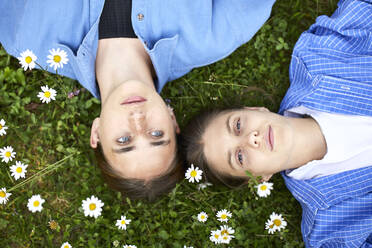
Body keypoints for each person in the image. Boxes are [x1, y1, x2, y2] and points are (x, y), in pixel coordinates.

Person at [0, 0, 276, 200]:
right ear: (172, 119)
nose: (138, 122)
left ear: (96, 132)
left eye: (123, 141)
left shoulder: (25, 36)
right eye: (157, 134)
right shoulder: (212, 37)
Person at [183, 0, 372, 246]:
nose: (251, 139)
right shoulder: (330, 227)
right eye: (239, 157)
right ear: (259, 179)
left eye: (238, 126)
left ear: (255, 109)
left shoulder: (321, 55)